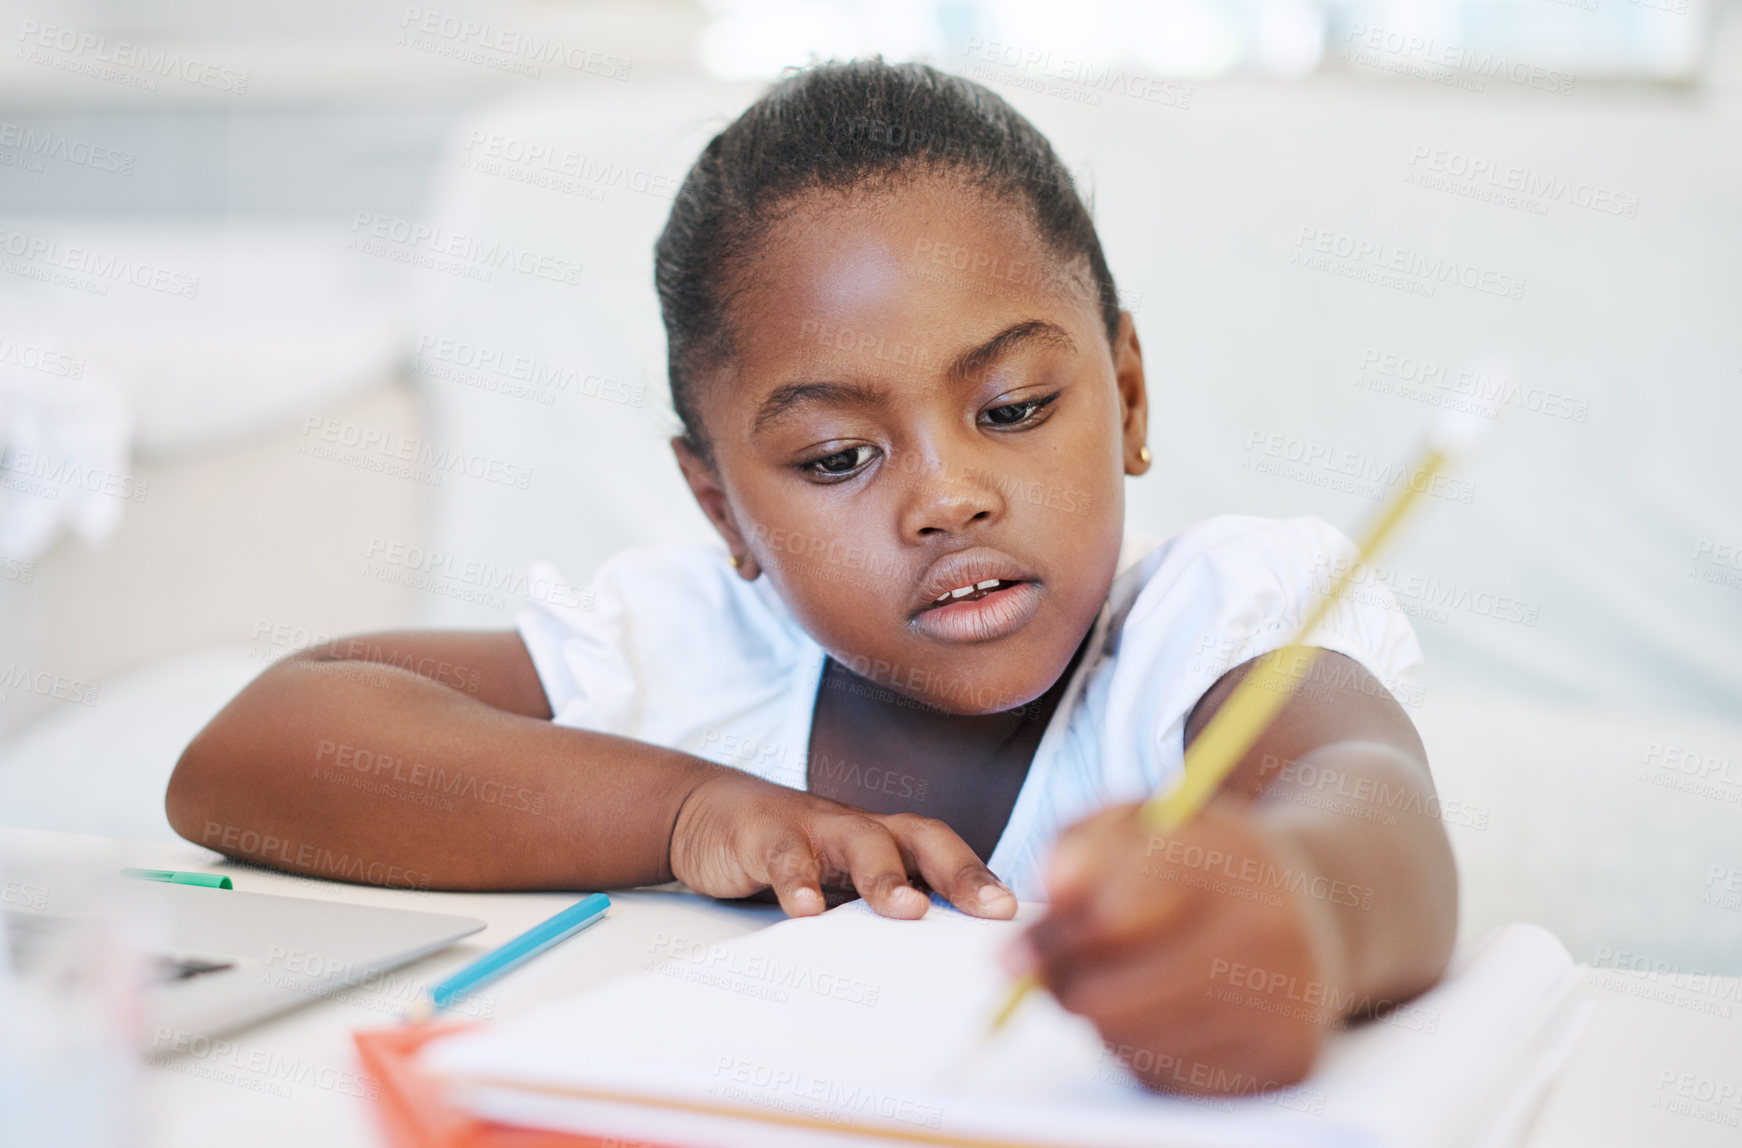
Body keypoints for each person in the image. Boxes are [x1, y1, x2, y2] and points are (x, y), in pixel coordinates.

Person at [167, 59, 1456, 1095]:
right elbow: (255, 748)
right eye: (840, 455)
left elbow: (1372, 801)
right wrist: (680, 811)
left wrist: (1301, 914)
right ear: (722, 504)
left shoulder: (1207, 625)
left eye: (1012, 407)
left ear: (1123, 393)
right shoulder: (694, 650)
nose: (948, 495)